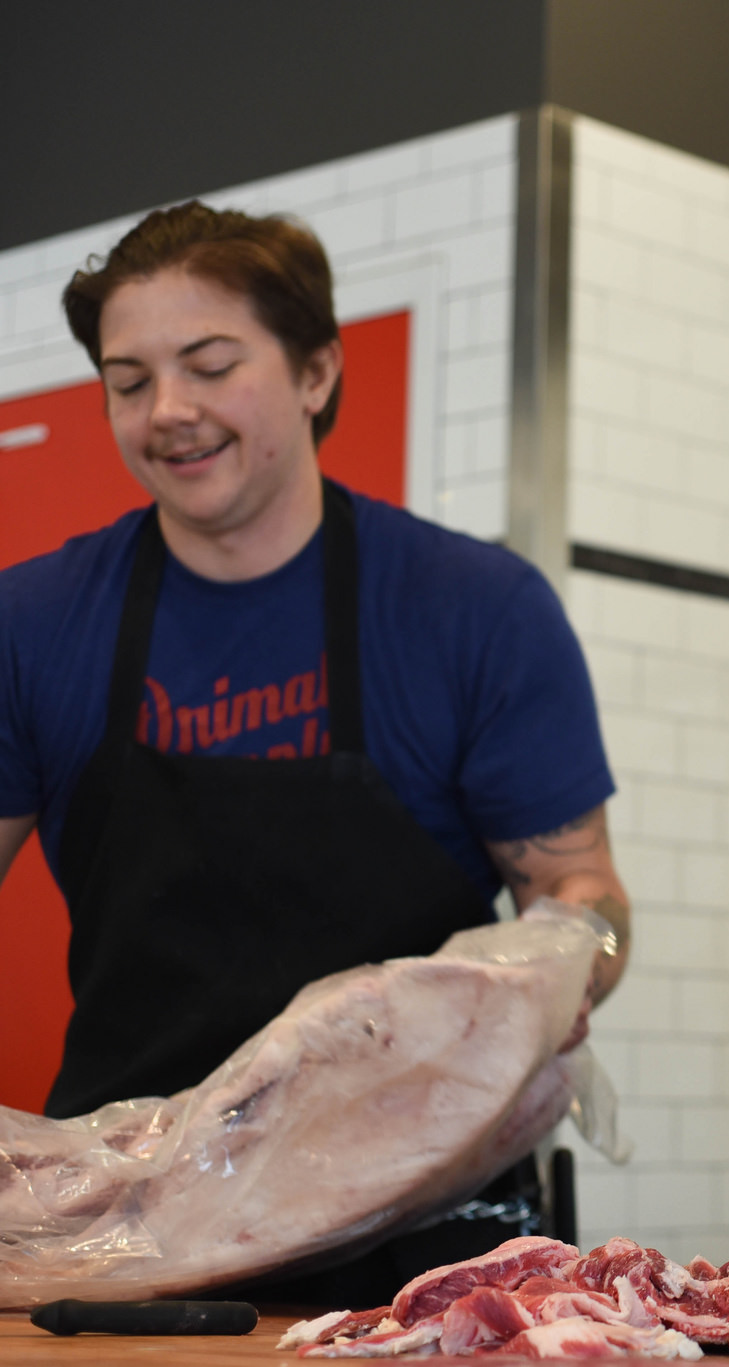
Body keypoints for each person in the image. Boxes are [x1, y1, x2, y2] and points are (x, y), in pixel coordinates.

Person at [0, 202, 628, 1300]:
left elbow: (579, 887)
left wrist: (564, 959)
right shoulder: (33, 619)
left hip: (432, 1241)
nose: (169, 411)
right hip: (137, 1238)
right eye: (129, 378)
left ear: (316, 372)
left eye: (209, 364)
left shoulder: (472, 608)